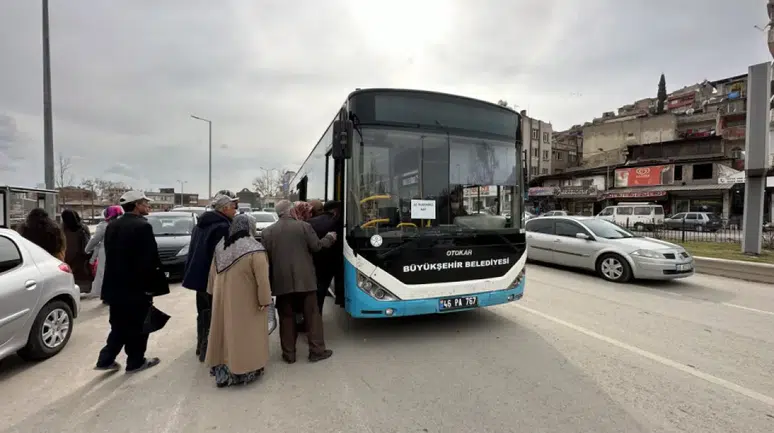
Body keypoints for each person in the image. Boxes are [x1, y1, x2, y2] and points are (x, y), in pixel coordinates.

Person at [95, 191, 169, 374]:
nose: (148, 205)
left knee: (119, 324)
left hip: (115, 287)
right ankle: (136, 361)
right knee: (139, 326)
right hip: (137, 288)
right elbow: (149, 260)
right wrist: (153, 286)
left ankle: (105, 359)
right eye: (145, 202)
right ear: (136, 204)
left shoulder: (113, 225)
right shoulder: (142, 227)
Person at [261, 200, 336, 364]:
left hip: (281, 283)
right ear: (291, 210)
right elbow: (317, 247)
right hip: (306, 281)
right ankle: (316, 351)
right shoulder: (303, 227)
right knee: (312, 316)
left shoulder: (267, 232)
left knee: (287, 318)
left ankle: (289, 354)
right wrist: (330, 238)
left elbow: (265, 259)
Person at [205, 214, 272, 388]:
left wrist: (214, 295)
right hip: (246, 301)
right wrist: (264, 300)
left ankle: (223, 371)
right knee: (246, 335)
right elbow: (262, 280)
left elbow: (212, 276)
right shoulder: (254, 248)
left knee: (224, 334)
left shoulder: (221, 245)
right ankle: (245, 370)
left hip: (221, 300)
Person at [182, 190, 238, 362]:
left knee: (203, 312)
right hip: (212, 279)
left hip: (199, 277)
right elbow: (222, 256)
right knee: (214, 314)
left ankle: (202, 346)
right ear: (225, 208)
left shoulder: (201, 225)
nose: (235, 211)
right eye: (233, 208)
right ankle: (209, 350)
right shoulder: (222, 227)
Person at [307, 200, 343, 313]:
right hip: (332, 262)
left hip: (314, 261)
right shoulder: (337, 221)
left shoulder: (309, 223)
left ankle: (315, 315)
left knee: (316, 290)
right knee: (322, 288)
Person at [85, 206, 124, 302]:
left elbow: (95, 239)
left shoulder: (104, 225)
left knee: (104, 274)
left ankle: (106, 296)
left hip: (106, 252)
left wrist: (87, 249)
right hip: (122, 252)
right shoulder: (124, 223)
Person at [61, 209, 94, 294]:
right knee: (82, 275)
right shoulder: (83, 228)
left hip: (66, 256)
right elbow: (89, 241)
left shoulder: (61, 229)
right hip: (81, 257)